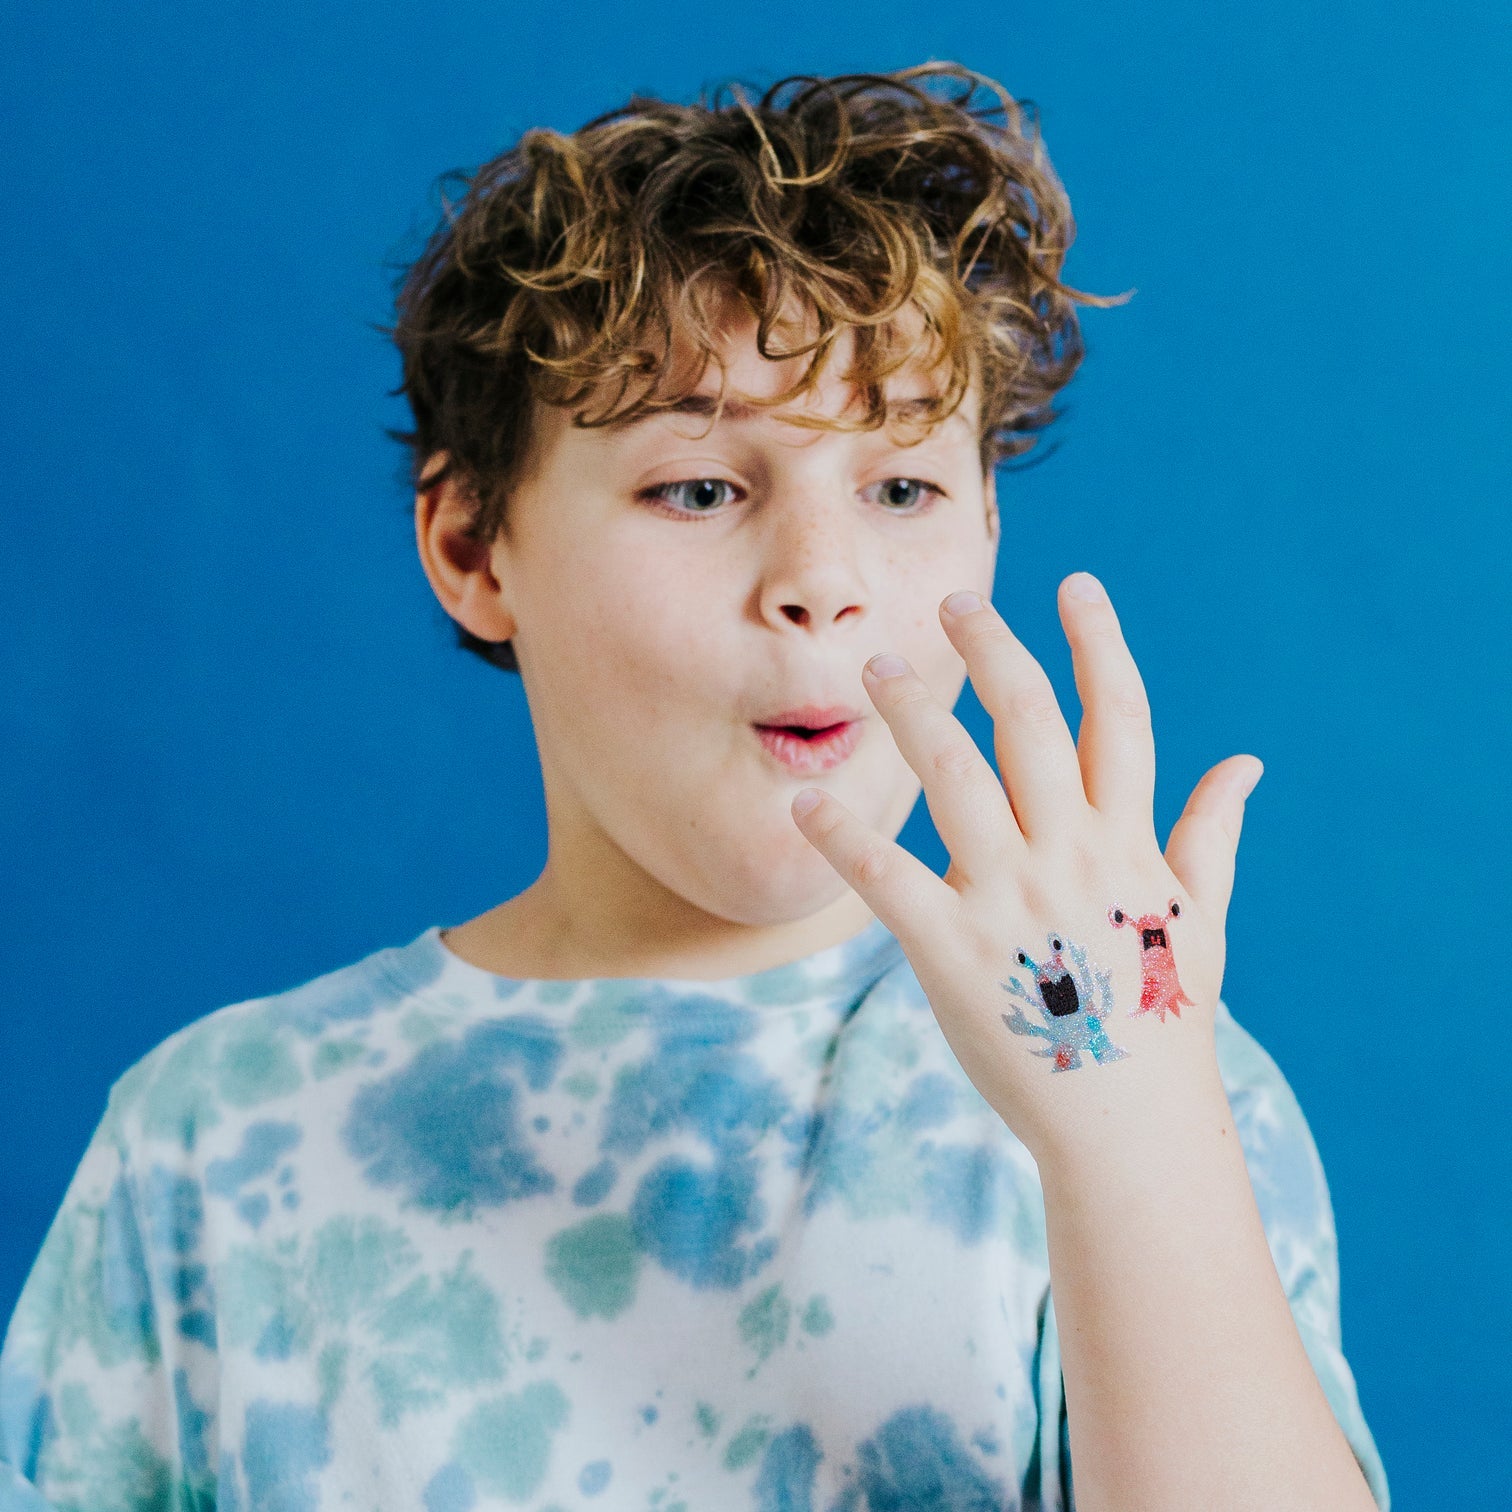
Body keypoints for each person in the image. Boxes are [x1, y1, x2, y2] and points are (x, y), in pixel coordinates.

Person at [0, 63, 1390, 1511]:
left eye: (901, 489)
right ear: (474, 548)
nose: (821, 584)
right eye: (701, 488)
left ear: (987, 526)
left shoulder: (1137, 1065)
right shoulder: (217, 1136)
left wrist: (1136, 1138)